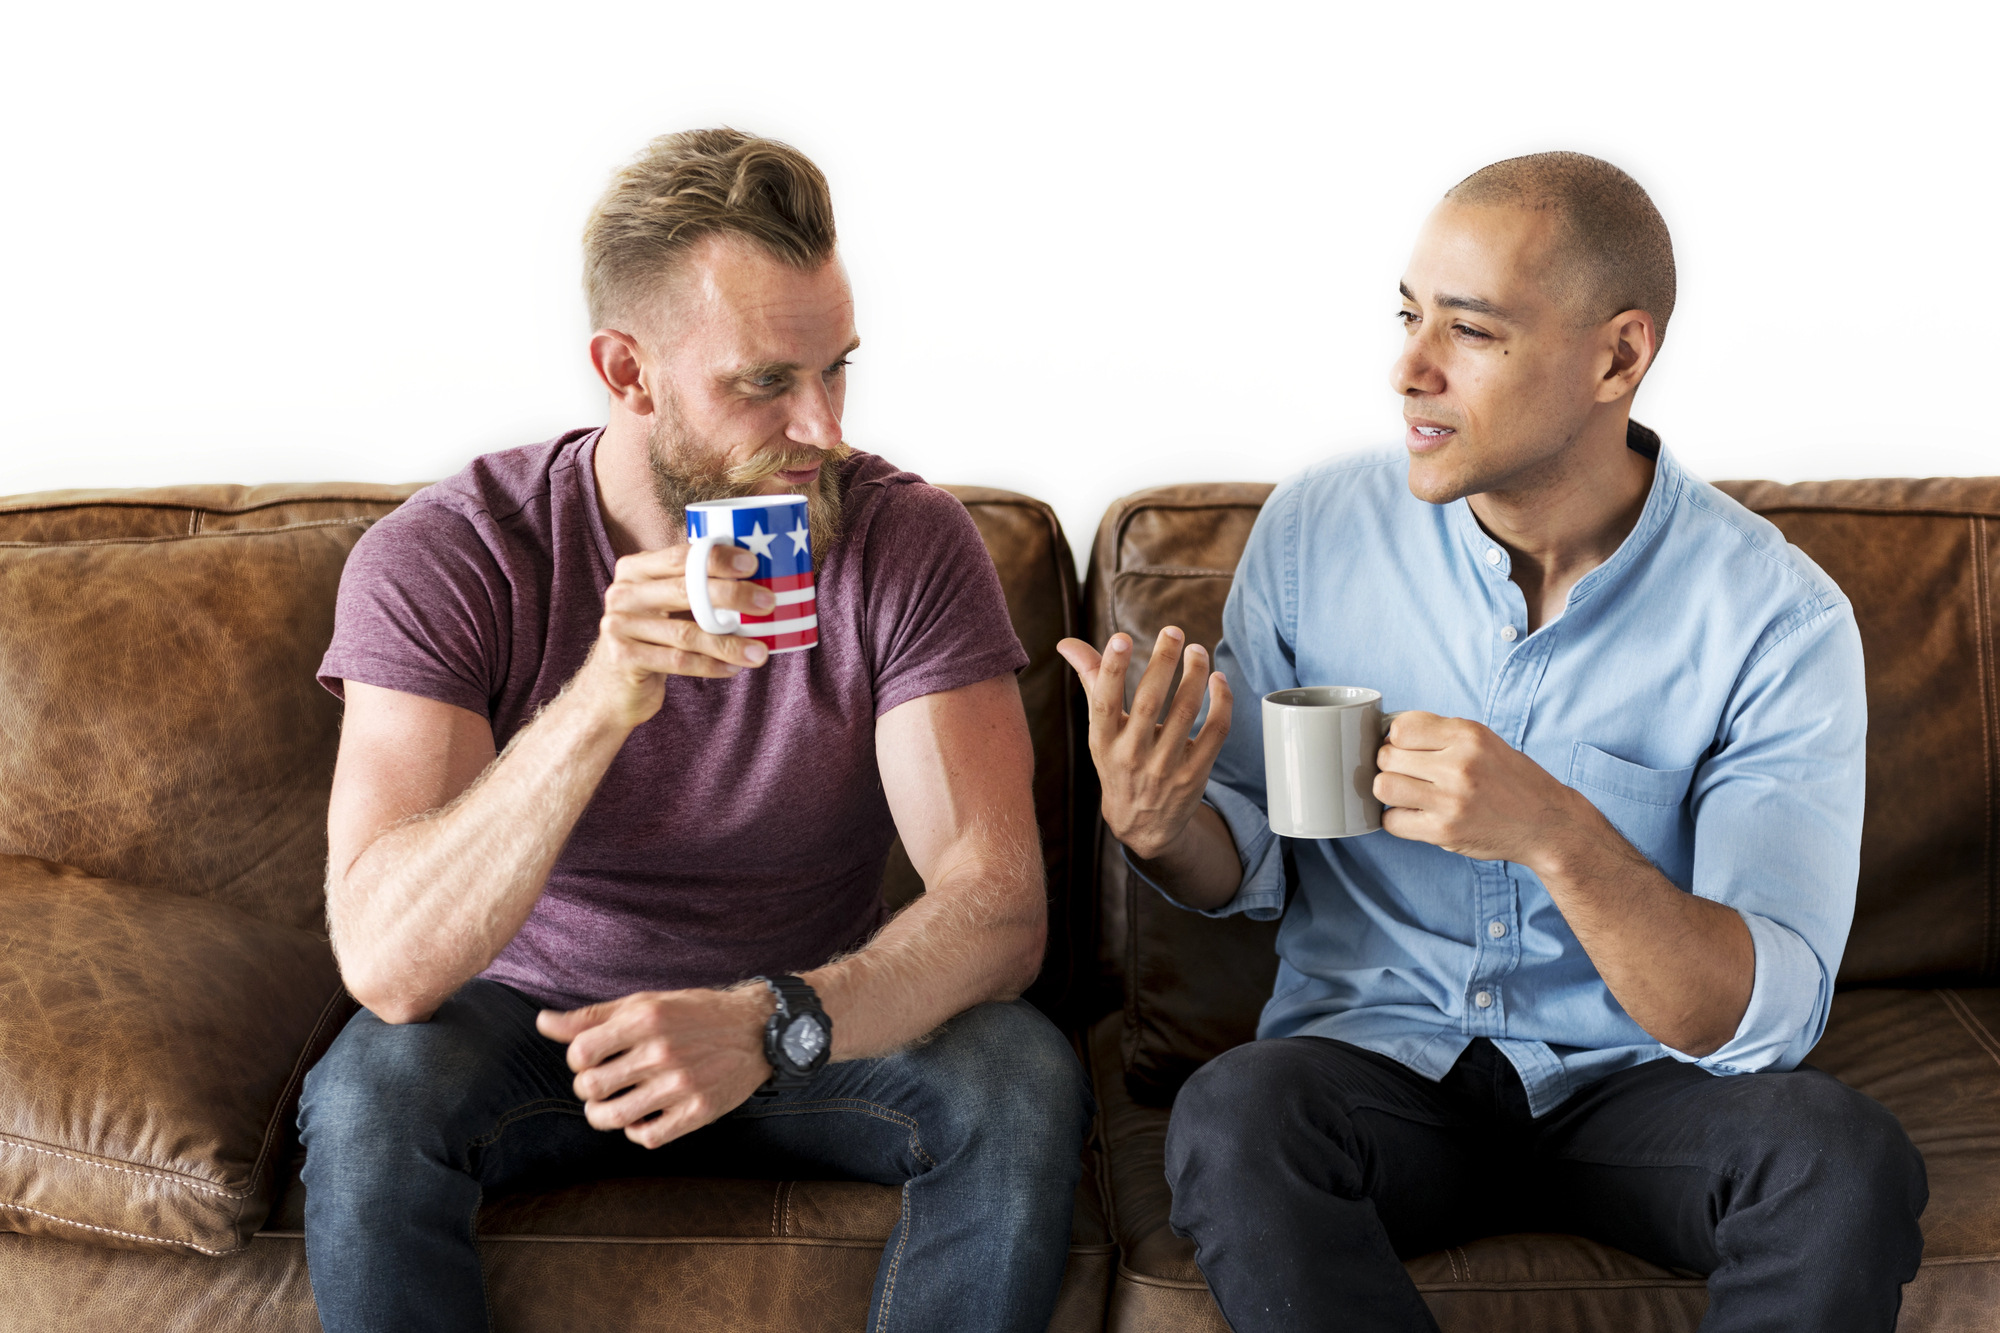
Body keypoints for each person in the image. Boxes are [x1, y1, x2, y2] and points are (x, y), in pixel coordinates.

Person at [1058, 152, 1927, 1332]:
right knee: (1235, 1115)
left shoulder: (1777, 618)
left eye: (1467, 330)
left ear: (1616, 356)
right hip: (1376, 1069)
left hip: (1638, 1087)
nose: (1407, 370)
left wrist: (1560, 834)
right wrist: (1164, 830)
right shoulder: (1315, 535)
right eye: (1407, 315)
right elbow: (1254, 863)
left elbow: (1755, 1013)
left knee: (1840, 1156)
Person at [299, 128, 1092, 1333]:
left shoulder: (903, 539)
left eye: (838, 369)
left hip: (805, 1007)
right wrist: (601, 700)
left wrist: (774, 1020)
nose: (822, 427)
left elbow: (998, 906)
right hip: (532, 1027)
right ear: (626, 373)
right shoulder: (449, 555)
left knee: (1021, 1076)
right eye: (765, 382)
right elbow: (388, 963)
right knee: (369, 1095)